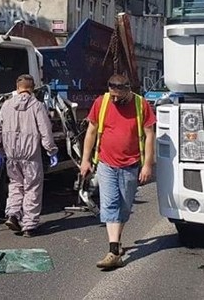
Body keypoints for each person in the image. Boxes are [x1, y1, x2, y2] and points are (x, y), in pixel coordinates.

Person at [80, 74, 156, 270]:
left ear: (128, 90)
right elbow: (91, 131)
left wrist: (148, 164)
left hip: (131, 164)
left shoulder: (141, 105)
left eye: (118, 97)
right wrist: (85, 160)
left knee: (123, 206)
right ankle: (113, 251)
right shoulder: (101, 102)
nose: (114, 100)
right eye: (112, 95)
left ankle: (117, 242)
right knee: (110, 203)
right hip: (106, 163)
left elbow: (149, 135)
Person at [0, 74, 59, 237]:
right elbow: (45, 130)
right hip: (30, 155)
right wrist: (51, 151)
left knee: (15, 184)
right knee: (32, 188)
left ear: (17, 88)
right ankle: (29, 225)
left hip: (12, 155)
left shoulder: (6, 105)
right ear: (33, 88)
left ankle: (13, 214)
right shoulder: (37, 106)